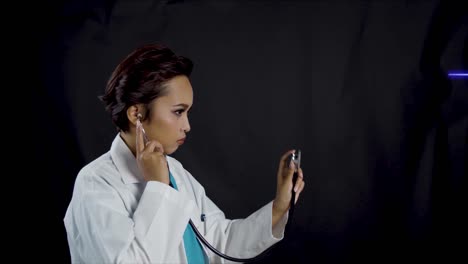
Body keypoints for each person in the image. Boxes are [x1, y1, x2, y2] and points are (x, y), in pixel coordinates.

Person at [63, 43, 305, 263]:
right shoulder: (96, 184)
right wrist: (160, 188)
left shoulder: (176, 172)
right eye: (178, 112)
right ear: (136, 114)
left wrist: (279, 207)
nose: (187, 126)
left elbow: (220, 242)